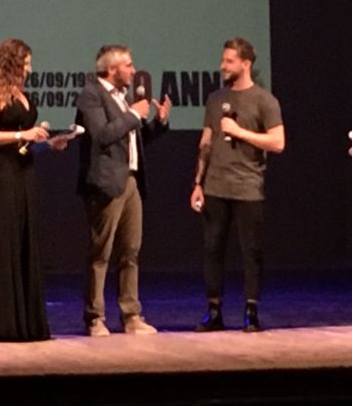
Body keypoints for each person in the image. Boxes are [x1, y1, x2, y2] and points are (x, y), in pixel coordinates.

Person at [0, 38, 66, 343]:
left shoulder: (21, 95)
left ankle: (25, 323)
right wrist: (23, 134)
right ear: (12, 63)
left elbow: (24, 143)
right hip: (0, 176)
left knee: (23, 242)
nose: (30, 69)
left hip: (23, 173)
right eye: (26, 63)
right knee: (3, 243)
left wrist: (48, 143)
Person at [190, 37, 285, 333]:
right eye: (223, 60)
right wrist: (198, 182)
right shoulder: (215, 99)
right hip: (215, 186)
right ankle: (214, 311)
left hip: (247, 186)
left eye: (229, 61)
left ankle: (251, 311)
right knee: (212, 249)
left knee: (251, 251)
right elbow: (206, 143)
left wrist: (240, 132)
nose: (223, 66)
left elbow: (278, 142)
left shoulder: (264, 100)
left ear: (246, 64)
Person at [75, 44, 171, 337]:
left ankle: (131, 315)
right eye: (128, 65)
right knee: (101, 252)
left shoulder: (122, 98)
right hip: (105, 183)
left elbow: (133, 139)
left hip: (130, 181)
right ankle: (95, 317)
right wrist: (133, 114)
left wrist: (159, 122)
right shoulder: (91, 95)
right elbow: (102, 135)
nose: (133, 70)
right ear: (112, 69)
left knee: (131, 250)